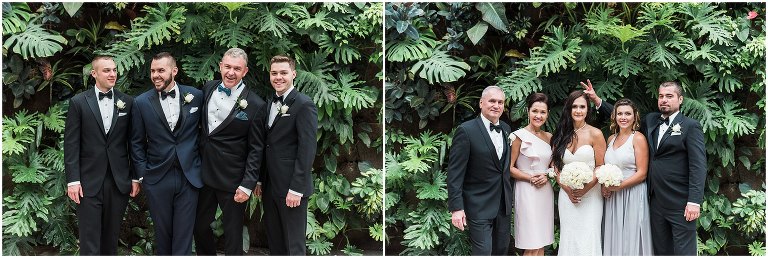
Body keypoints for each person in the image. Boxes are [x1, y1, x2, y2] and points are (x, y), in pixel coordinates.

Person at [583, 80, 706, 255]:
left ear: (680, 100)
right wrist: (597, 101)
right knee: (661, 250)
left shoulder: (690, 126)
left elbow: (698, 166)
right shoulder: (651, 121)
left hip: (680, 201)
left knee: (683, 250)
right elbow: (623, 117)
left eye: (669, 96)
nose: (664, 100)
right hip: (654, 201)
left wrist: (694, 201)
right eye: (661, 96)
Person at [193, 48, 268, 256]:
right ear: (220, 67)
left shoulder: (255, 104)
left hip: (233, 179)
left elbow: (256, 148)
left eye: (237, 68)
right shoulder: (207, 89)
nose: (231, 72)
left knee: (233, 233)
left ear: (245, 71)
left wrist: (248, 184)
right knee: (199, 225)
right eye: (227, 67)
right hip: (204, 174)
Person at [64, 55, 139, 255]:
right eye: (106, 70)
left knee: (111, 237)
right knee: (89, 237)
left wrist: (134, 176)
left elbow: (133, 142)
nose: (112, 74)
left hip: (118, 180)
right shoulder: (78, 102)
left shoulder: (127, 102)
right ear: (94, 73)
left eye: (114, 70)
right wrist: (73, 180)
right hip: (88, 181)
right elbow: (71, 144)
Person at [130, 52, 204, 255]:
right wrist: (143, 174)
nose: (155, 75)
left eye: (161, 70)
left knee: (184, 236)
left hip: (189, 177)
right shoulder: (141, 102)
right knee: (162, 236)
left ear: (174, 71)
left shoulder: (195, 96)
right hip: (157, 177)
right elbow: (136, 142)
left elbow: (206, 135)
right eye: (153, 71)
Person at [253, 55, 317, 255]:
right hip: (271, 186)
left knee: (293, 245)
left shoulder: (304, 104)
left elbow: (307, 149)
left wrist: (296, 189)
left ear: (293, 74)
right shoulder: (269, 103)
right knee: (276, 242)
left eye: (283, 73)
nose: (278, 77)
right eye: (274, 73)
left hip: (292, 188)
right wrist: (261, 181)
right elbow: (267, 144)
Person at [447, 86, 513, 255]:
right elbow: (455, 173)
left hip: (503, 206)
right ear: (481, 103)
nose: (496, 105)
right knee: (483, 252)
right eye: (492, 101)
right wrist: (456, 208)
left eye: (500, 102)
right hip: (478, 205)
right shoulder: (466, 131)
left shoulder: (506, 129)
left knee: (501, 251)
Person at [551, 90, 606, 256]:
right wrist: (566, 188)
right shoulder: (560, 134)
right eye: (574, 106)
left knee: (589, 235)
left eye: (582, 107)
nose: (578, 110)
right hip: (567, 196)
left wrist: (586, 188)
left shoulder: (596, 134)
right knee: (569, 235)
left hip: (591, 195)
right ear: (569, 109)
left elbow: (600, 166)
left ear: (588, 110)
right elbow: (555, 168)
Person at [600, 98, 653, 255]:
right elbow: (605, 167)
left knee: (631, 236)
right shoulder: (611, 139)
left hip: (633, 194)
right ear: (614, 116)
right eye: (620, 114)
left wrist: (618, 186)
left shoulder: (638, 138)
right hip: (613, 197)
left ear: (635, 116)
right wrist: (605, 186)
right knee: (614, 233)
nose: (623, 117)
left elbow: (642, 173)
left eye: (628, 114)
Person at [508, 93, 553, 256]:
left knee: (541, 242)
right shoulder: (517, 136)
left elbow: (553, 166)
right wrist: (530, 178)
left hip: (545, 192)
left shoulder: (549, 138)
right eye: (535, 111)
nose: (538, 115)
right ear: (528, 111)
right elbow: (509, 168)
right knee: (531, 242)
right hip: (527, 190)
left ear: (547, 114)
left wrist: (547, 175)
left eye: (543, 112)